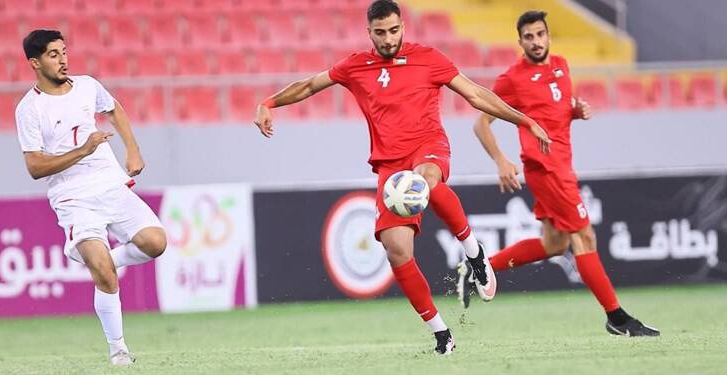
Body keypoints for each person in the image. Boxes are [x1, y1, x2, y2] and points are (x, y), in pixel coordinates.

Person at [254, 0, 552, 354]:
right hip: (389, 167)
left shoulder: (428, 58)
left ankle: (474, 253)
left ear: (402, 27)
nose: (387, 38)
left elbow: (475, 94)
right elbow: (308, 86)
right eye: (379, 32)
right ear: (369, 33)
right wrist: (268, 103)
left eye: (393, 30)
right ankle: (442, 333)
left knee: (425, 180)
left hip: (428, 148)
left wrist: (525, 120)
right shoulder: (355, 66)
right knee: (396, 251)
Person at [462, 10, 659, 337]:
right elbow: (480, 123)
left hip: (564, 166)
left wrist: (575, 112)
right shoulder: (512, 79)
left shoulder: (562, 67)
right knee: (585, 237)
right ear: (520, 41)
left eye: (540, 34)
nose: (536, 42)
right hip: (546, 168)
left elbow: (556, 111)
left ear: (548, 35)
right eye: (529, 37)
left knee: (554, 244)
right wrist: (500, 160)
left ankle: (481, 267)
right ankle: (617, 317)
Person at [15, 30, 168, 365]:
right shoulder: (29, 109)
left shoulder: (87, 85)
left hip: (109, 184)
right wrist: (83, 149)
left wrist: (133, 150)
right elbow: (35, 166)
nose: (63, 59)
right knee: (105, 276)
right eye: (53, 54)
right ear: (35, 62)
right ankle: (119, 352)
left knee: (156, 242)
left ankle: (104, 264)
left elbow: (114, 109)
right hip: (73, 198)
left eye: (64, 52)